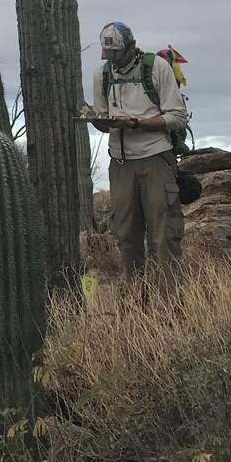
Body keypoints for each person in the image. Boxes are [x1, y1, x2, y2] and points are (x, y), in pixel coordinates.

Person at [80, 21, 190, 291]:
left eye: (119, 53)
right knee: (126, 236)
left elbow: (177, 117)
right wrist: (95, 118)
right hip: (120, 163)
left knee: (163, 236)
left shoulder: (156, 68)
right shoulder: (102, 75)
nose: (115, 60)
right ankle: (136, 303)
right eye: (110, 56)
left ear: (132, 45)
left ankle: (169, 306)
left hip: (156, 159)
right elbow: (106, 122)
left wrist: (136, 123)